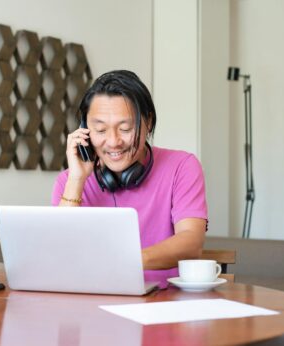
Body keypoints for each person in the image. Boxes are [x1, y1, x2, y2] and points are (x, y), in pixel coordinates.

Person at [51, 70, 207, 287]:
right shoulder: (69, 181)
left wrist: (127, 260)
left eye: (125, 129)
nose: (113, 142)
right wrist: (77, 180)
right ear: (85, 131)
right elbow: (58, 254)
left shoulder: (182, 166)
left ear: (148, 122)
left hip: (164, 303)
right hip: (91, 302)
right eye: (100, 130)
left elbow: (191, 241)